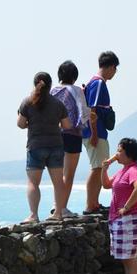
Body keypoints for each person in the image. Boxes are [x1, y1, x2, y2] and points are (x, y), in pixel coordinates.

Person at [17, 72, 71, 223]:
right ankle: (58, 213)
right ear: (50, 85)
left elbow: (20, 124)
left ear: (35, 84)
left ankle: (33, 215)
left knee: (33, 183)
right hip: (55, 146)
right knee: (58, 182)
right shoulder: (58, 104)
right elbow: (67, 125)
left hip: (35, 146)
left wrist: (30, 124)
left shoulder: (27, 102)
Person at [101, 138, 137, 274]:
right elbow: (106, 185)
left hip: (129, 219)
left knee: (130, 259)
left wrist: (126, 207)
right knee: (126, 259)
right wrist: (104, 169)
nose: (116, 154)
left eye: (119, 151)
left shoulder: (133, 170)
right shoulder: (123, 170)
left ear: (128, 154)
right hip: (118, 220)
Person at [49, 60, 93, 217]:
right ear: (74, 76)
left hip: (54, 135)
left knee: (57, 174)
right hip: (72, 134)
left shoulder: (52, 91)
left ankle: (56, 207)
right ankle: (62, 208)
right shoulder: (76, 90)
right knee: (69, 174)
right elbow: (83, 114)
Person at [83, 51, 119, 215]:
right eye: (115, 68)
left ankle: (94, 203)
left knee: (98, 167)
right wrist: (95, 134)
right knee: (97, 167)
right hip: (96, 132)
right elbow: (92, 110)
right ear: (111, 67)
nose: (115, 72)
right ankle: (91, 205)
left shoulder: (93, 82)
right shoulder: (98, 84)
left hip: (94, 131)